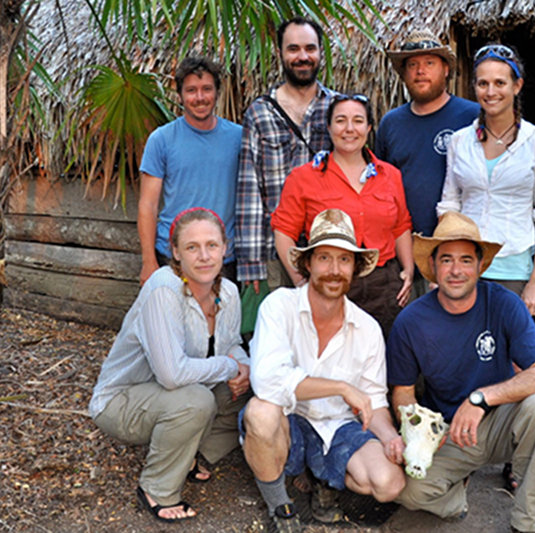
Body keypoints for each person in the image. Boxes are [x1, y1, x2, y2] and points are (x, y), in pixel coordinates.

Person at [386, 211, 535, 533]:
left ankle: (527, 523)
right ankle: (457, 499)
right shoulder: (410, 322)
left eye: (466, 260)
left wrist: (482, 399)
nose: (456, 271)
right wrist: (417, 436)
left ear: (481, 266)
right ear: (434, 267)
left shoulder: (505, 304)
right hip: (450, 432)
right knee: (406, 491)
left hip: (501, 420)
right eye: (447, 260)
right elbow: (403, 390)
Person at [241, 209, 406, 533]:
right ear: (307, 264)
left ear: (355, 268)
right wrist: (341, 387)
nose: (334, 270)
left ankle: (323, 481)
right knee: (260, 413)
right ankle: (281, 507)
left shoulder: (368, 328)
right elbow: (268, 381)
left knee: (389, 483)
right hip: (288, 420)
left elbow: (375, 400)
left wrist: (391, 439)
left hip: (338, 427)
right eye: (324, 258)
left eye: (344, 260)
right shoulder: (279, 306)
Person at [89, 208, 251, 523]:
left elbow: (230, 344)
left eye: (212, 245)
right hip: (122, 402)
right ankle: (157, 488)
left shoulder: (228, 291)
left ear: (224, 248)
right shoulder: (164, 289)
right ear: (175, 252)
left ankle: (186, 454)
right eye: (192, 247)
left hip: (172, 393)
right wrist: (230, 368)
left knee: (252, 391)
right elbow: (172, 374)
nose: (204, 256)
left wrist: (242, 368)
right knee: (196, 400)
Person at [271, 94, 414, 337]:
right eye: (340, 121)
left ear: (369, 128)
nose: (349, 129)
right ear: (329, 127)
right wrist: (299, 281)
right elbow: (284, 232)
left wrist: (408, 271)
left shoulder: (390, 175)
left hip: (385, 285)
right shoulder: (304, 177)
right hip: (330, 283)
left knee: (383, 361)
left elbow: (401, 227)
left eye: (358, 121)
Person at [438, 43, 535, 316]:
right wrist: (444, 263)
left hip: (514, 264)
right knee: (464, 345)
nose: (490, 92)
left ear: (517, 86)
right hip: (465, 264)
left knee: (509, 349)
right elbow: (449, 204)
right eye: (483, 83)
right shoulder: (459, 141)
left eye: (499, 83)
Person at [235, 17, 337, 295]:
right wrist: (251, 263)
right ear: (280, 53)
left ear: (320, 52)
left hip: (329, 248)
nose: (302, 56)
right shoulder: (259, 113)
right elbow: (249, 191)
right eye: (293, 49)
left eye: (310, 48)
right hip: (273, 252)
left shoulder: (339, 110)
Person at [138, 56, 242, 285]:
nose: (200, 97)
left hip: (222, 256)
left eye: (207, 89)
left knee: (220, 319)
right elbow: (148, 204)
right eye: (191, 90)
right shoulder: (161, 140)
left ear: (217, 92)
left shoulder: (239, 138)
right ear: (180, 96)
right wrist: (148, 262)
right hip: (172, 255)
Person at [376, 29, 479, 238]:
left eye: (429, 63)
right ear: (404, 74)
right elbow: (379, 185)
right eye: (412, 65)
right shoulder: (391, 123)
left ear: (446, 69)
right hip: (403, 242)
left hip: (460, 244)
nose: (420, 71)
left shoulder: (472, 117)